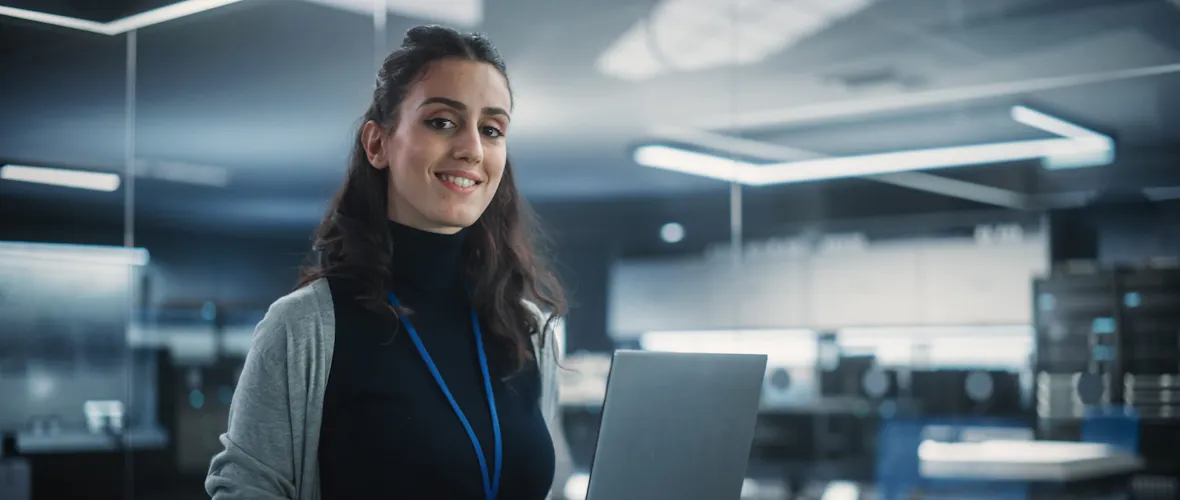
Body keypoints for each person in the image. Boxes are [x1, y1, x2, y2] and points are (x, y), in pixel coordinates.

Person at [205, 25, 573, 500]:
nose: (472, 149)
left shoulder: (527, 329)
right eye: (442, 121)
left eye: (491, 129)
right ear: (378, 144)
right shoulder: (306, 328)